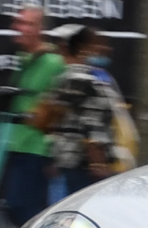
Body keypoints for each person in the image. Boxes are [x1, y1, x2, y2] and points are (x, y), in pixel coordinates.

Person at [39, 26, 132, 195]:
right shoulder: (84, 81)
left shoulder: (63, 80)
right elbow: (92, 128)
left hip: (67, 164)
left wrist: (57, 157)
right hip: (85, 167)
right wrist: (98, 163)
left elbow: (52, 121)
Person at [0, 4, 67, 223]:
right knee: (15, 209)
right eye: (18, 23)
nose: (20, 28)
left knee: (28, 213)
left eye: (27, 24)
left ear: (39, 28)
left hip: (38, 151)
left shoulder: (53, 62)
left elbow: (61, 109)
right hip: (16, 146)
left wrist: (54, 153)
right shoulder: (25, 60)